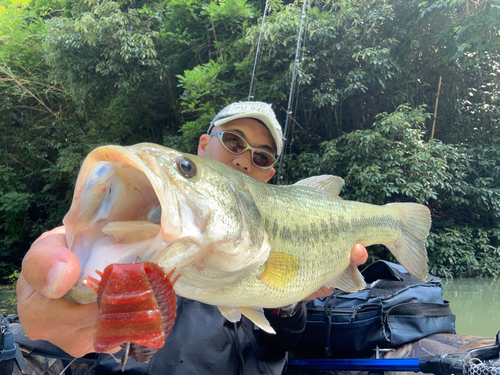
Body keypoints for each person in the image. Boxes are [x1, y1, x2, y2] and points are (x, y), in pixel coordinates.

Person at [16, 101, 368, 374]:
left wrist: (289, 301)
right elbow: (84, 257)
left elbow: (279, 343)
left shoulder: (273, 228)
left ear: (269, 174)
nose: (244, 160)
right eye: (233, 141)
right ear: (203, 145)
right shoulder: (150, 212)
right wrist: (66, 290)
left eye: (260, 156)